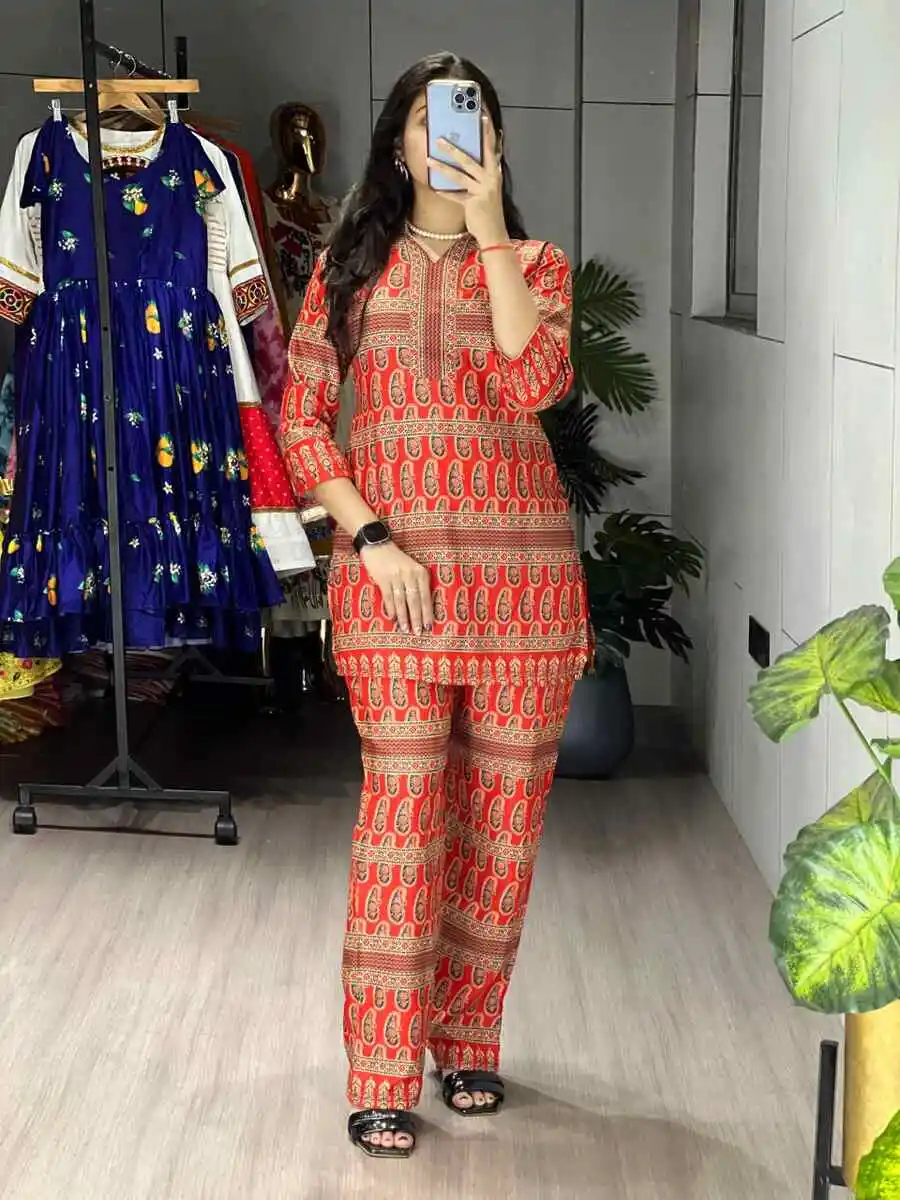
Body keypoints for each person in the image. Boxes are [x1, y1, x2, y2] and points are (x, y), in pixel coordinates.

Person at [280, 51, 592, 1159]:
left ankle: (466, 1041)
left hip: (525, 595)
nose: (445, 136)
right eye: (425, 118)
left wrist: (492, 227)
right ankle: (379, 1073)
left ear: (493, 141)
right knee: (402, 827)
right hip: (394, 594)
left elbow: (534, 382)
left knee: (500, 833)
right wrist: (370, 539)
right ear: (396, 143)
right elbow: (301, 421)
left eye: (466, 119)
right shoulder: (349, 268)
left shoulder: (537, 266)